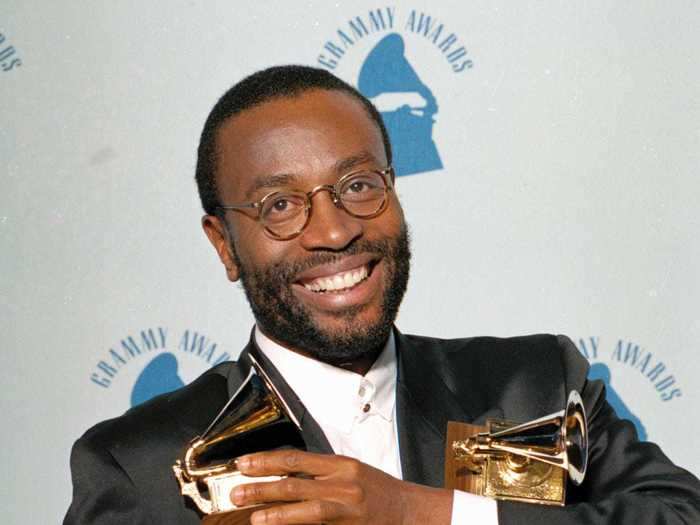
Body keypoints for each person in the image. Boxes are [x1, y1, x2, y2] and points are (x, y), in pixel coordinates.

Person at [64, 65, 700, 524]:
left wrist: (426, 514)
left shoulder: (530, 384)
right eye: (280, 205)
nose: (337, 230)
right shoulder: (141, 462)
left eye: (360, 185)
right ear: (225, 244)